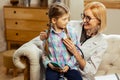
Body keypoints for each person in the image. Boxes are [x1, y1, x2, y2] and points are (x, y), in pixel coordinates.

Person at [40, 1, 108, 80]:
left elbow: (90, 72)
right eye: (84, 16)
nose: (84, 20)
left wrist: (75, 53)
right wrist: (43, 36)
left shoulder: (102, 43)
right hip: (57, 68)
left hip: (77, 73)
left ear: (99, 21)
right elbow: (54, 30)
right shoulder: (70, 26)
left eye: (88, 18)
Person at [41, 2, 83, 80]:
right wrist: (49, 64)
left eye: (67, 18)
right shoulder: (47, 35)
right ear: (54, 20)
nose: (67, 21)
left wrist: (68, 65)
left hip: (70, 67)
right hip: (53, 69)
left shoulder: (71, 32)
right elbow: (44, 54)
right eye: (64, 19)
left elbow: (77, 51)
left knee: (78, 78)